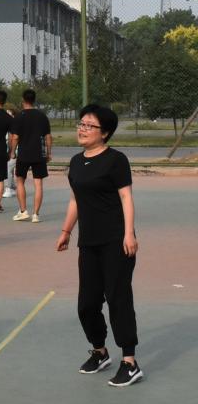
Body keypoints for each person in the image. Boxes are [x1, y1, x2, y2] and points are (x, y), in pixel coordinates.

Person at [56, 105, 142, 387]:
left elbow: (126, 197)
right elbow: (75, 200)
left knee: (118, 299)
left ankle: (129, 362)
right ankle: (100, 351)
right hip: (89, 242)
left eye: (89, 125)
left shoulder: (116, 160)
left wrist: (129, 234)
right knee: (87, 304)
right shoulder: (76, 162)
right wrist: (66, 230)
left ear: (104, 133)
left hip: (116, 241)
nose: (82, 129)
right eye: (81, 123)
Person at [9, 89, 52, 223]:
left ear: (23, 100)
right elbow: (48, 137)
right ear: (34, 100)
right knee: (38, 184)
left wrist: (12, 152)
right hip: (39, 154)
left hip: (24, 154)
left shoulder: (19, 116)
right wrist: (49, 153)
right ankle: (36, 215)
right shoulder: (42, 116)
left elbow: (15, 137)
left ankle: (23, 211)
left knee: (20, 181)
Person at [2, 107, 19, 198]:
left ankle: (8, 189)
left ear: (13, 115)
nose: (7, 115)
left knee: (7, 168)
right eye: (6, 113)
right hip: (10, 151)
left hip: (15, 151)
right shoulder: (7, 125)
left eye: (9, 113)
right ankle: (12, 187)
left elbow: (14, 139)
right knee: (10, 169)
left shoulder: (15, 125)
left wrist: (12, 151)